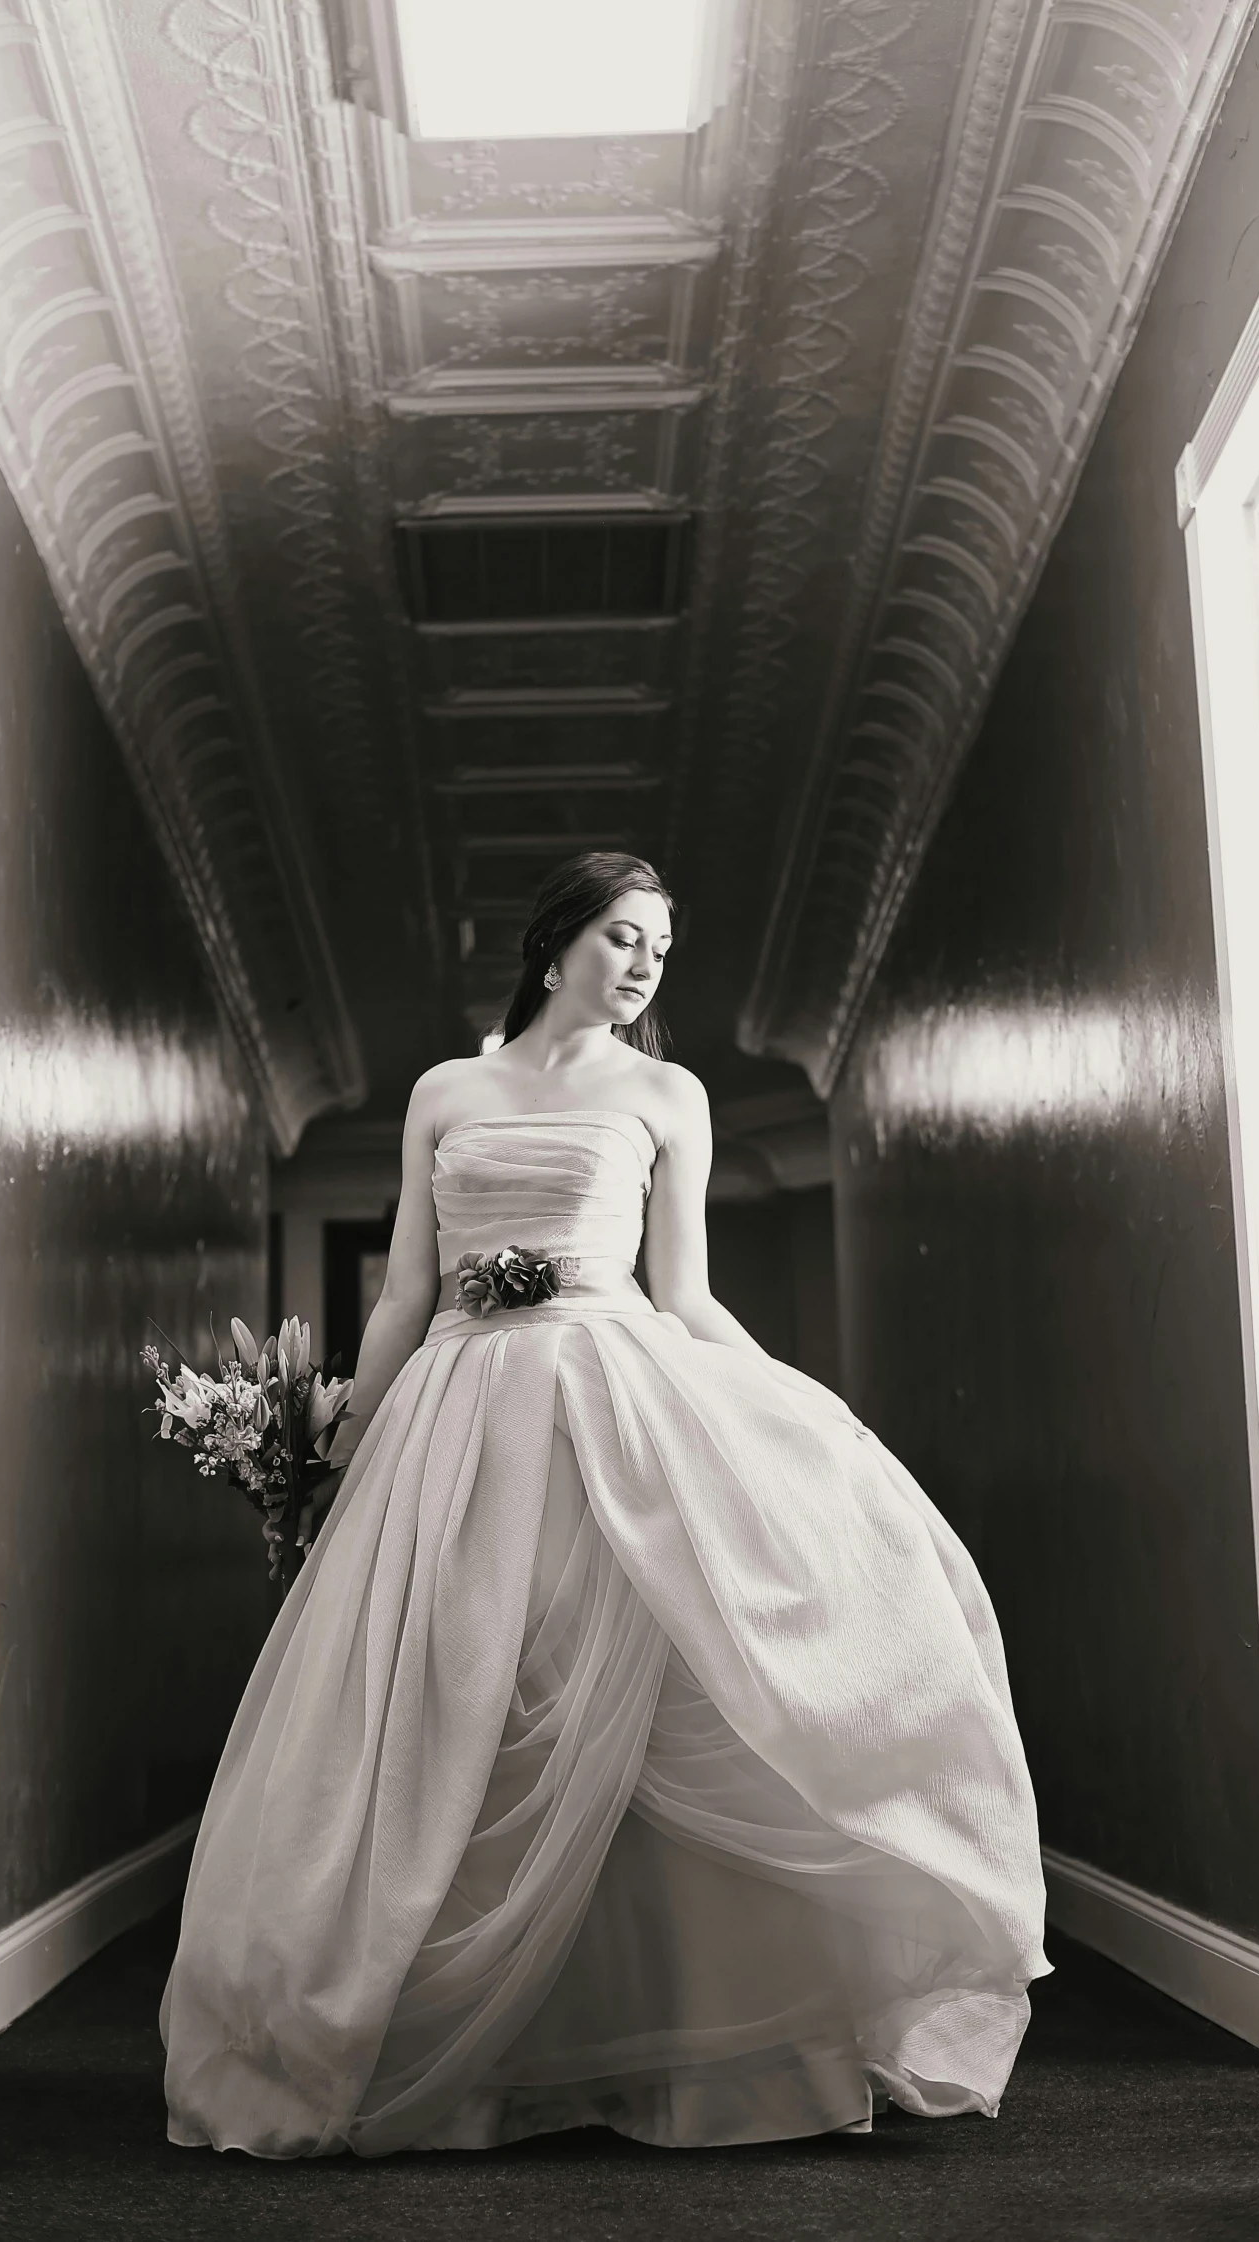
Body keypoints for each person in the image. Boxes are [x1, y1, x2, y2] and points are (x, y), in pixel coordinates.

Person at [160, 850, 1050, 2156]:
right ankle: (466, 2050)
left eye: (660, 949)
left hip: (608, 1403)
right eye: (624, 937)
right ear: (555, 941)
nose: (643, 965)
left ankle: (673, 2042)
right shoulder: (444, 1092)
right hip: (456, 1423)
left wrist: (802, 1412)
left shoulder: (667, 1095)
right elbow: (408, 1289)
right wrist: (334, 1441)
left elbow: (681, 1293)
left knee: (626, 1692)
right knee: (468, 1688)